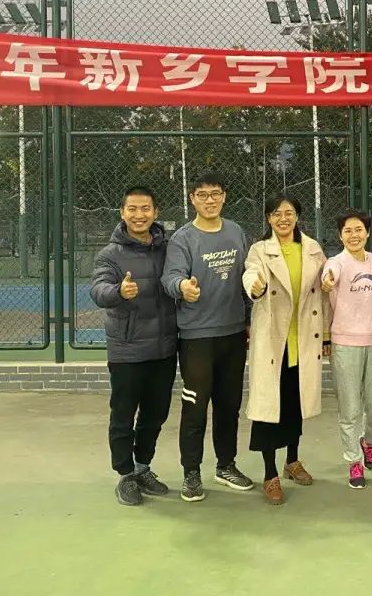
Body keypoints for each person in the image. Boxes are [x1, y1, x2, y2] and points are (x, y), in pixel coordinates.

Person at [161, 172, 253, 502]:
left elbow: (247, 277)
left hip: (233, 334)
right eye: (202, 195)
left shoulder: (236, 232)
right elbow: (170, 277)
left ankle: (226, 465)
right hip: (197, 337)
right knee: (195, 407)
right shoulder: (183, 239)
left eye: (215, 193)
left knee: (229, 406)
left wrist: (249, 316)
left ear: (224, 196)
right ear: (192, 199)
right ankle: (191, 472)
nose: (210, 200)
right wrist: (182, 287)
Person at [90, 186, 178, 506]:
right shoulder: (109, 254)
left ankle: (143, 468)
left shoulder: (169, 249)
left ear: (155, 213)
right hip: (127, 350)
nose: (139, 215)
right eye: (132, 209)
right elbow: (98, 289)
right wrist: (118, 292)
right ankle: (125, 475)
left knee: (155, 414)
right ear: (122, 212)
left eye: (145, 209)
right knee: (123, 415)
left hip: (164, 349)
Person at [243, 193, 329, 506]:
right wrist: (254, 286)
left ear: (297, 216)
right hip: (272, 342)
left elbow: (323, 292)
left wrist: (327, 335)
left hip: (303, 341)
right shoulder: (260, 250)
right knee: (268, 410)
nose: (283, 218)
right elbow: (250, 273)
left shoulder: (313, 249)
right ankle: (270, 474)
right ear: (268, 218)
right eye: (276, 213)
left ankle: (292, 461)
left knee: (295, 405)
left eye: (288, 212)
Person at [321, 209, 372, 489]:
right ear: (340, 236)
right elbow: (329, 275)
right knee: (350, 408)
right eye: (347, 231)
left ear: (367, 233)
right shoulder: (336, 263)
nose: (353, 235)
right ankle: (354, 461)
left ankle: (368, 442)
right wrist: (327, 280)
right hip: (345, 343)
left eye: (358, 229)